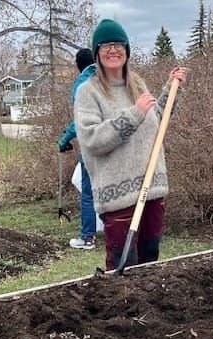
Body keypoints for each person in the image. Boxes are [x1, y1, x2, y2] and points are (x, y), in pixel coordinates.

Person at [74, 19, 187, 270]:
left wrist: (170, 91)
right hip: (118, 197)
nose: (113, 50)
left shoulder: (137, 83)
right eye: (106, 45)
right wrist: (133, 114)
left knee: (149, 259)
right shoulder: (88, 92)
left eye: (118, 44)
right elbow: (92, 140)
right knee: (123, 266)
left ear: (126, 49)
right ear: (97, 52)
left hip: (152, 189)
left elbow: (154, 122)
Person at [57, 48, 98, 250]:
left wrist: (65, 138)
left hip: (94, 146)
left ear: (78, 65)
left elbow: (81, 119)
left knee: (89, 192)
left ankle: (88, 237)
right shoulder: (110, 78)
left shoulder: (83, 83)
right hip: (117, 145)